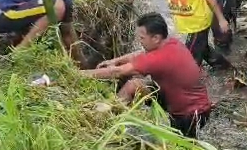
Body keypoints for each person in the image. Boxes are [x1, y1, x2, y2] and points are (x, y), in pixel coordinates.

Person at [81, 12, 212, 139]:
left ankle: (113, 124)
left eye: (142, 38)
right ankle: (114, 123)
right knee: (133, 86)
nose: (139, 41)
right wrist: (114, 61)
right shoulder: (171, 43)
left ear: (156, 38)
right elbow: (139, 54)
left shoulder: (158, 58)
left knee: (181, 148)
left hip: (192, 114)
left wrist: (79, 74)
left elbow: (117, 72)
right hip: (172, 95)